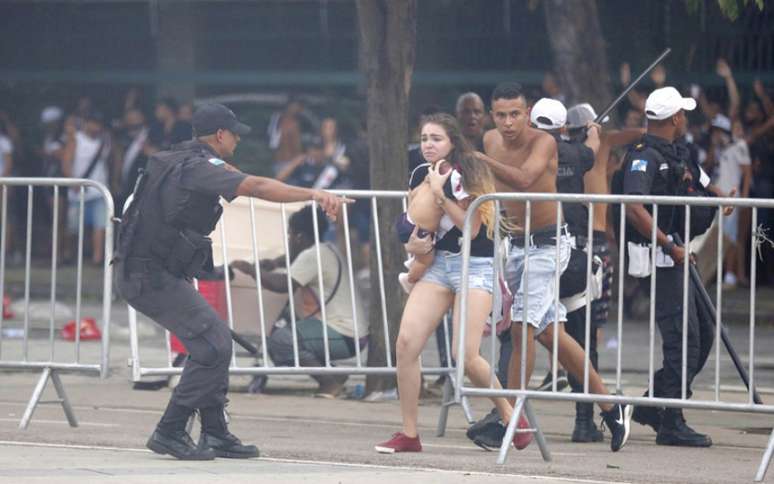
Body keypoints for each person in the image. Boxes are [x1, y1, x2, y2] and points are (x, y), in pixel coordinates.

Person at [113, 103, 348, 461]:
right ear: (220, 135)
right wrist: (313, 194)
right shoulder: (198, 167)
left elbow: (240, 178)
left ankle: (215, 434)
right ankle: (171, 429)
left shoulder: (182, 159)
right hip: (150, 276)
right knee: (215, 343)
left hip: (150, 272)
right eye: (235, 133)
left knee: (214, 342)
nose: (238, 139)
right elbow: (255, 185)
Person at [477, 82, 632, 453]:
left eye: (515, 114)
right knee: (550, 335)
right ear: (492, 115)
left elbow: (525, 178)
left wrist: (481, 163)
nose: (509, 122)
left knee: (521, 330)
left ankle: (509, 420)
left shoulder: (543, 143)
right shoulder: (489, 141)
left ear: (527, 113)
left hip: (548, 245)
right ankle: (612, 408)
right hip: (513, 244)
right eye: (501, 115)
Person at [374, 113, 519, 454]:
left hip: (474, 266)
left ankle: (512, 418)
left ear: (452, 142)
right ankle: (409, 434)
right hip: (438, 265)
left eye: (436, 138)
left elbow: (471, 229)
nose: (428, 144)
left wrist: (441, 195)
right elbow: (414, 216)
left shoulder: (465, 172)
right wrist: (411, 242)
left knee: (465, 356)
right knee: (406, 343)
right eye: (424, 137)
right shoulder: (418, 171)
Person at [618, 86, 714, 447]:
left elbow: (703, 183)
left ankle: (652, 404)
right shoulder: (643, 156)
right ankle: (671, 421)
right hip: (661, 258)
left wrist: (725, 200)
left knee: (703, 332)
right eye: (683, 114)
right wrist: (669, 245)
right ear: (674, 117)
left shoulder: (677, 152)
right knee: (683, 339)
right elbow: (635, 206)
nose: (685, 119)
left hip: (676, 254)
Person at [232, 205, 367, 398]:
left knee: (280, 341)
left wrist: (251, 270)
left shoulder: (313, 255)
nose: (288, 240)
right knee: (292, 324)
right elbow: (292, 259)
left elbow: (282, 284)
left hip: (344, 335)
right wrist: (273, 264)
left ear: (299, 237)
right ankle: (335, 374)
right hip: (352, 334)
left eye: (290, 235)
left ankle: (329, 383)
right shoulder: (327, 249)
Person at [705, 114, 751, 289]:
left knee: (730, 236)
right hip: (717, 197)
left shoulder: (739, 146)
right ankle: (712, 274)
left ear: (725, 131)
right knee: (715, 235)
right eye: (713, 132)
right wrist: (713, 147)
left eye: (718, 131)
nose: (715, 135)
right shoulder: (718, 149)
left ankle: (730, 275)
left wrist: (744, 196)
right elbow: (708, 165)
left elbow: (747, 172)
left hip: (733, 197)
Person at [61, 111, 112, 265]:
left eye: (99, 124)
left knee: (100, 225)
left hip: (99, 190)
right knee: (73, 229)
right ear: (87, 123)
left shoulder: (105, 141)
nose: (96, 127)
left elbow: (111, 160)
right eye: (93, 123)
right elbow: (66, 163)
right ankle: (69, 254)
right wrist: (72, 181)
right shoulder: (76, 139)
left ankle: (97, 259)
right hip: (79, 191)